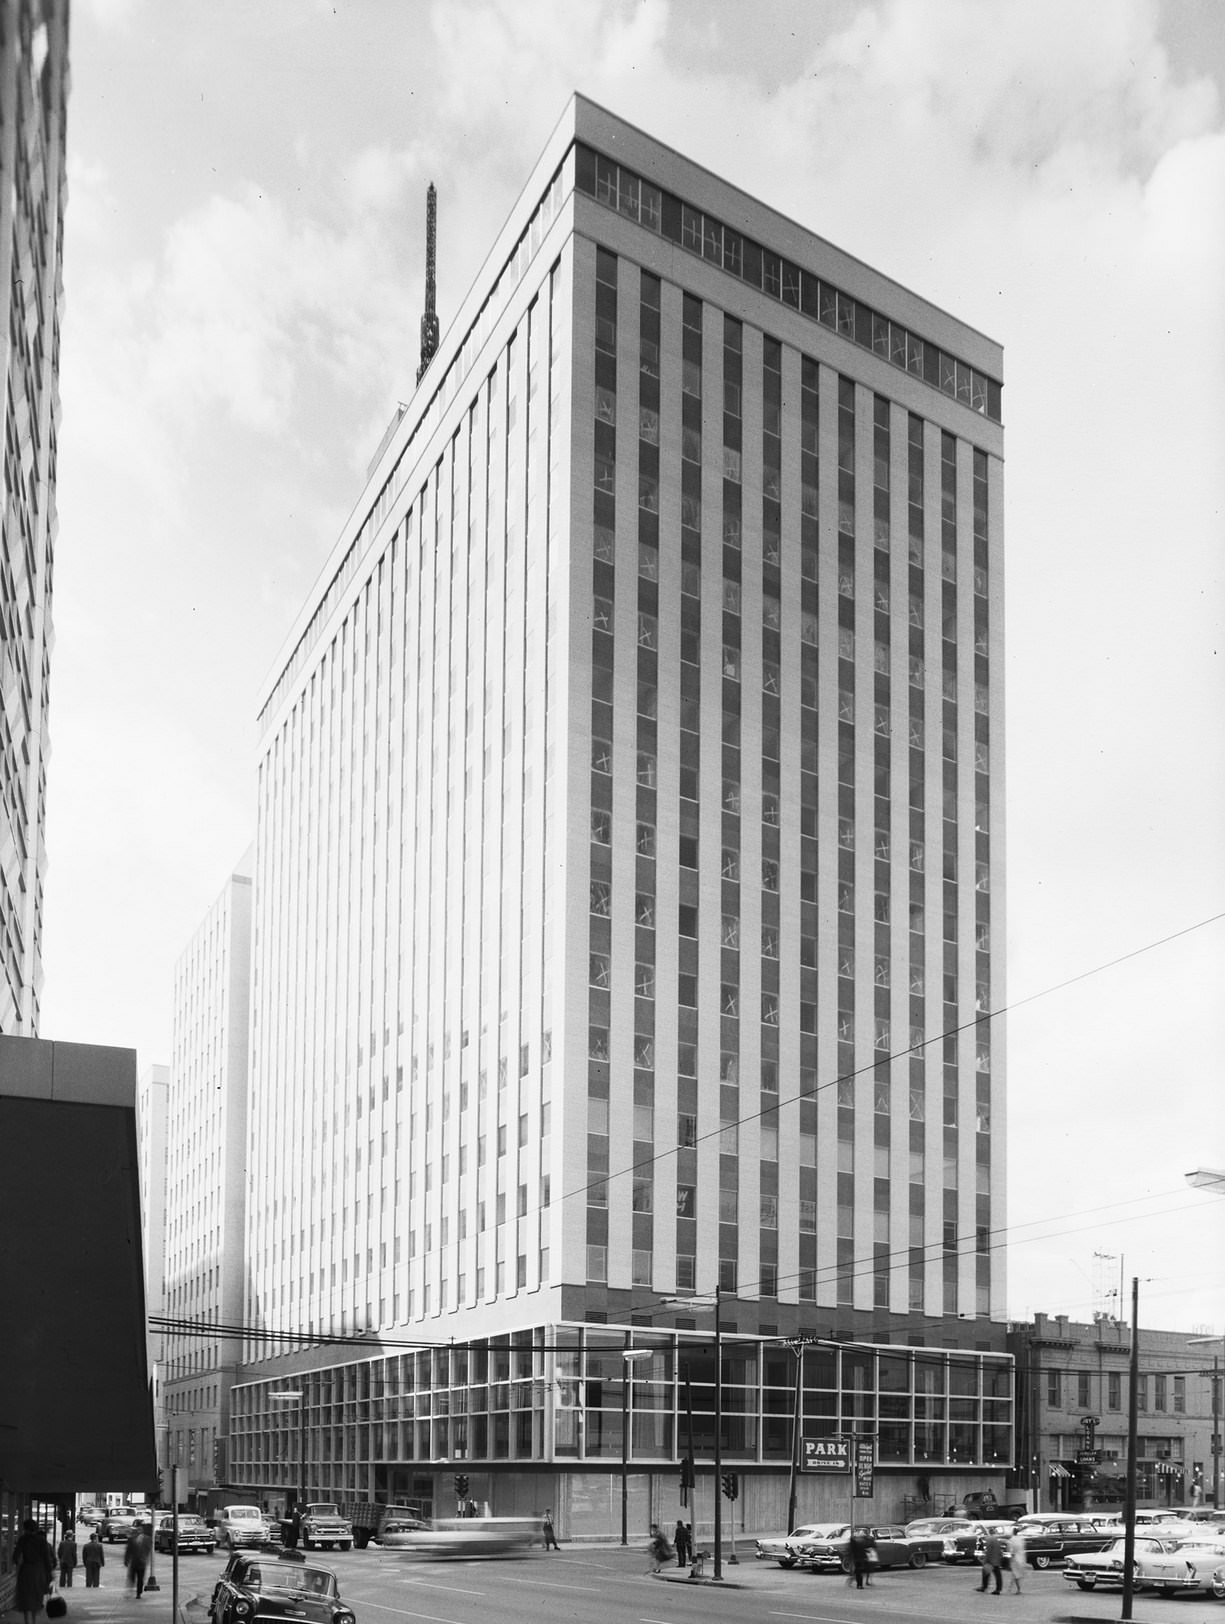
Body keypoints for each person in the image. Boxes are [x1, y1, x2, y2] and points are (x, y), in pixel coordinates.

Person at [15, 1520, 54, 1624]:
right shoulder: (41, 1540)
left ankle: (27, 1621)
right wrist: (50, 1573)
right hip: (39, 1571)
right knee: (37, 1597)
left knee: (25, 1597)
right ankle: (34, 1621)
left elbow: (15, 1557)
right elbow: (47, 1558)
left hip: (26, 1571)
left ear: (25, 1528)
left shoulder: (22, 1539)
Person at [124, 1525, 152, 1598]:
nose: (138, 1531)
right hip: (134, 1562)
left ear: (142, 1531)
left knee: (140, 1579)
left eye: (140, 1530)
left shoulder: (147, 1539)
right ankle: (130, 1590)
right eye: (137, 1530)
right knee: (131, 1577)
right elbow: (128, 1551)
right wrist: (126, 1560)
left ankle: (138, 1593)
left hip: (142, 1562)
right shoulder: (131, 1539)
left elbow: (149, 1549)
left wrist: (145, 1558)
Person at [978, 1528, 1005, 1594]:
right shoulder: (996, 1539)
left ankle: (984, 1587)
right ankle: (998, 1588)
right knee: (997, 1575)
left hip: (991, 1560)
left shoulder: (989, 1539)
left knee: (985, 1572)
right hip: (996, 1559)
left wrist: (985, 1559)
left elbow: (988, 1551)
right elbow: (1000, 1549)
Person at [1007, 1525, 1026, 1593]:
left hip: (1015, 1559)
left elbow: (1011, 1551)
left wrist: (1010, 1560)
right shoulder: (1021, 1539)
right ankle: (1011, 1587)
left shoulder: (1011, 1540)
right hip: (1021, 1558)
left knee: (1015, 1574)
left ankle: (1017, 1589)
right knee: (1016, 1574)